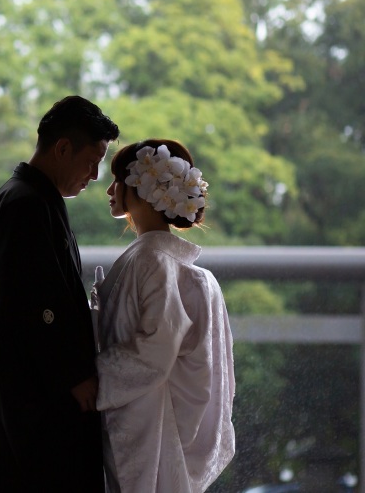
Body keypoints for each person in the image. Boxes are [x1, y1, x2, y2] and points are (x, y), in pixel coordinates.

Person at [0, 96, 120, 493]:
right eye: (91, 161)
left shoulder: (14, 198)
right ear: (62, 148)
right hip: (32, 402)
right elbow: (36, 305)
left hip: (10, 395)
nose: (95, 175)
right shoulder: (26, 204)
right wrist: (72, 374)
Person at [92, 139, 235, 492]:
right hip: (147, 417)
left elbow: (155, 351)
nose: (109, 190)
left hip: (148, 423)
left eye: (117, 180)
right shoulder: (168, 263)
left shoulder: (151, 260)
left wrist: (92, 380)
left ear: (143, 187)